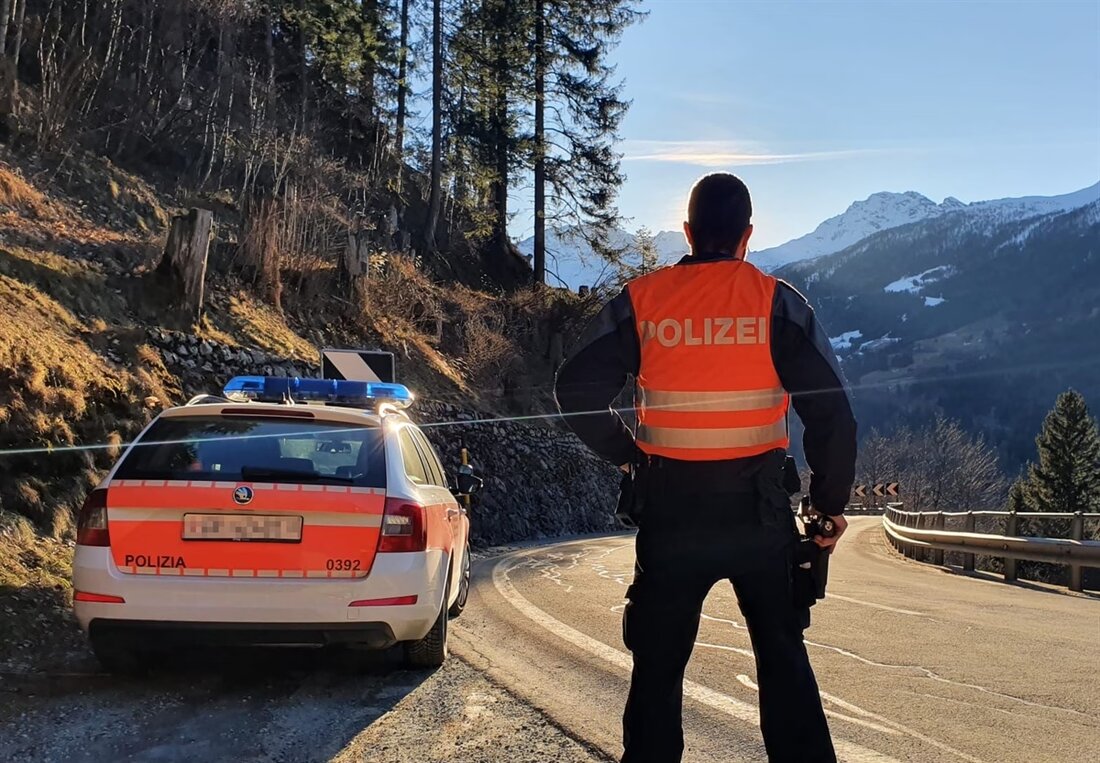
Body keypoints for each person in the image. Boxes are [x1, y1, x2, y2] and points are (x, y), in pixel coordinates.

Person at [554, 172, 857, 763]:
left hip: (672, 516)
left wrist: (627, 455)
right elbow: (833, 416)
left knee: (657, 673)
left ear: (689, 232)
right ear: (747, 235)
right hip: (759, 517)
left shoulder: (644, 302)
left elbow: (576, 385)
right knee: (783, 664)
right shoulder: (776, 304)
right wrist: (828, 507)